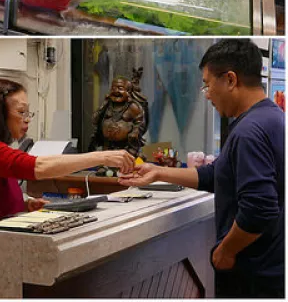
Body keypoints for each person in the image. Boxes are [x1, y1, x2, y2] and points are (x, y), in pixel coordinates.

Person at [119, 39, 284, 299]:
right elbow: (214, 174)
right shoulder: (272, 117)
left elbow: (260, 208)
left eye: (207, 84)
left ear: (230, 79)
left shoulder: (249, 132)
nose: (206, 94)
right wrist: (158, 172)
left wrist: (224, 251)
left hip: (254, 277)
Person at [0, 78, 135, 257]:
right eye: (21, 112)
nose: (27, 119)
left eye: (28, 113)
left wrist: (25, 205)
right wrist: (101, 156)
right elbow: (38, 167)